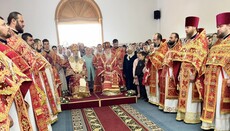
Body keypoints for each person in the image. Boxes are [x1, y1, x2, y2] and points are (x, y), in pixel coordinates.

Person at [6, 11, 58, 125]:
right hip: (23, 79)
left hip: (30, 76)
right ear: (13, 21)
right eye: (21, 21)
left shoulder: (17, 37)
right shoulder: (11, 38)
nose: (24, 24)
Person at [173, 16, 208, 123]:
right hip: (184, 72)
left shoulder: (201, 40)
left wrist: (195, 73)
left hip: (193, 73)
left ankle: (192, 116)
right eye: (185, 27)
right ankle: (183, 114)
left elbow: (202, 59)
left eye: (187, 27)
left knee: (191, 95)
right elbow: (183, 58)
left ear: (194, 27)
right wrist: (179, 72)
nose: (185, 29)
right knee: (184, 95)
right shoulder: (188, 41)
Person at [201, 12, 230, 131]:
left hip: (224, 79)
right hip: (212, 80)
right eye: (217, 26)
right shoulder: (216, 44)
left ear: (229, 25)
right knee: (214, 103)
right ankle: (212, 124)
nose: (218, 29)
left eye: (220, 26)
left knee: (221, 104)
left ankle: (223, 127)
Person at [159, 33, 182, 112]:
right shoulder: (169, 49)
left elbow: (178, 64)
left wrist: (175, 73)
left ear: (176, 39)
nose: (170, 39)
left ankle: (172, 108)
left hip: (172, 72)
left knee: (172, 89)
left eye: (171, 38)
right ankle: (165, 105)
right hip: (166, 71)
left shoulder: (179, 49)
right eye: (169, 37)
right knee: (165, 88)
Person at [147, 33, 168, 105]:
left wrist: (154, 55)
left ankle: (158, 100)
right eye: (153, 39)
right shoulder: (154, 47)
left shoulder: (164, 47)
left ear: (159, 40)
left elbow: (162, 57)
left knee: (158, 84)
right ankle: (153, 99)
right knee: (153, 83)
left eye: (155, 40)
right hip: (153, 69)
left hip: (159, 69)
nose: (154, 41)